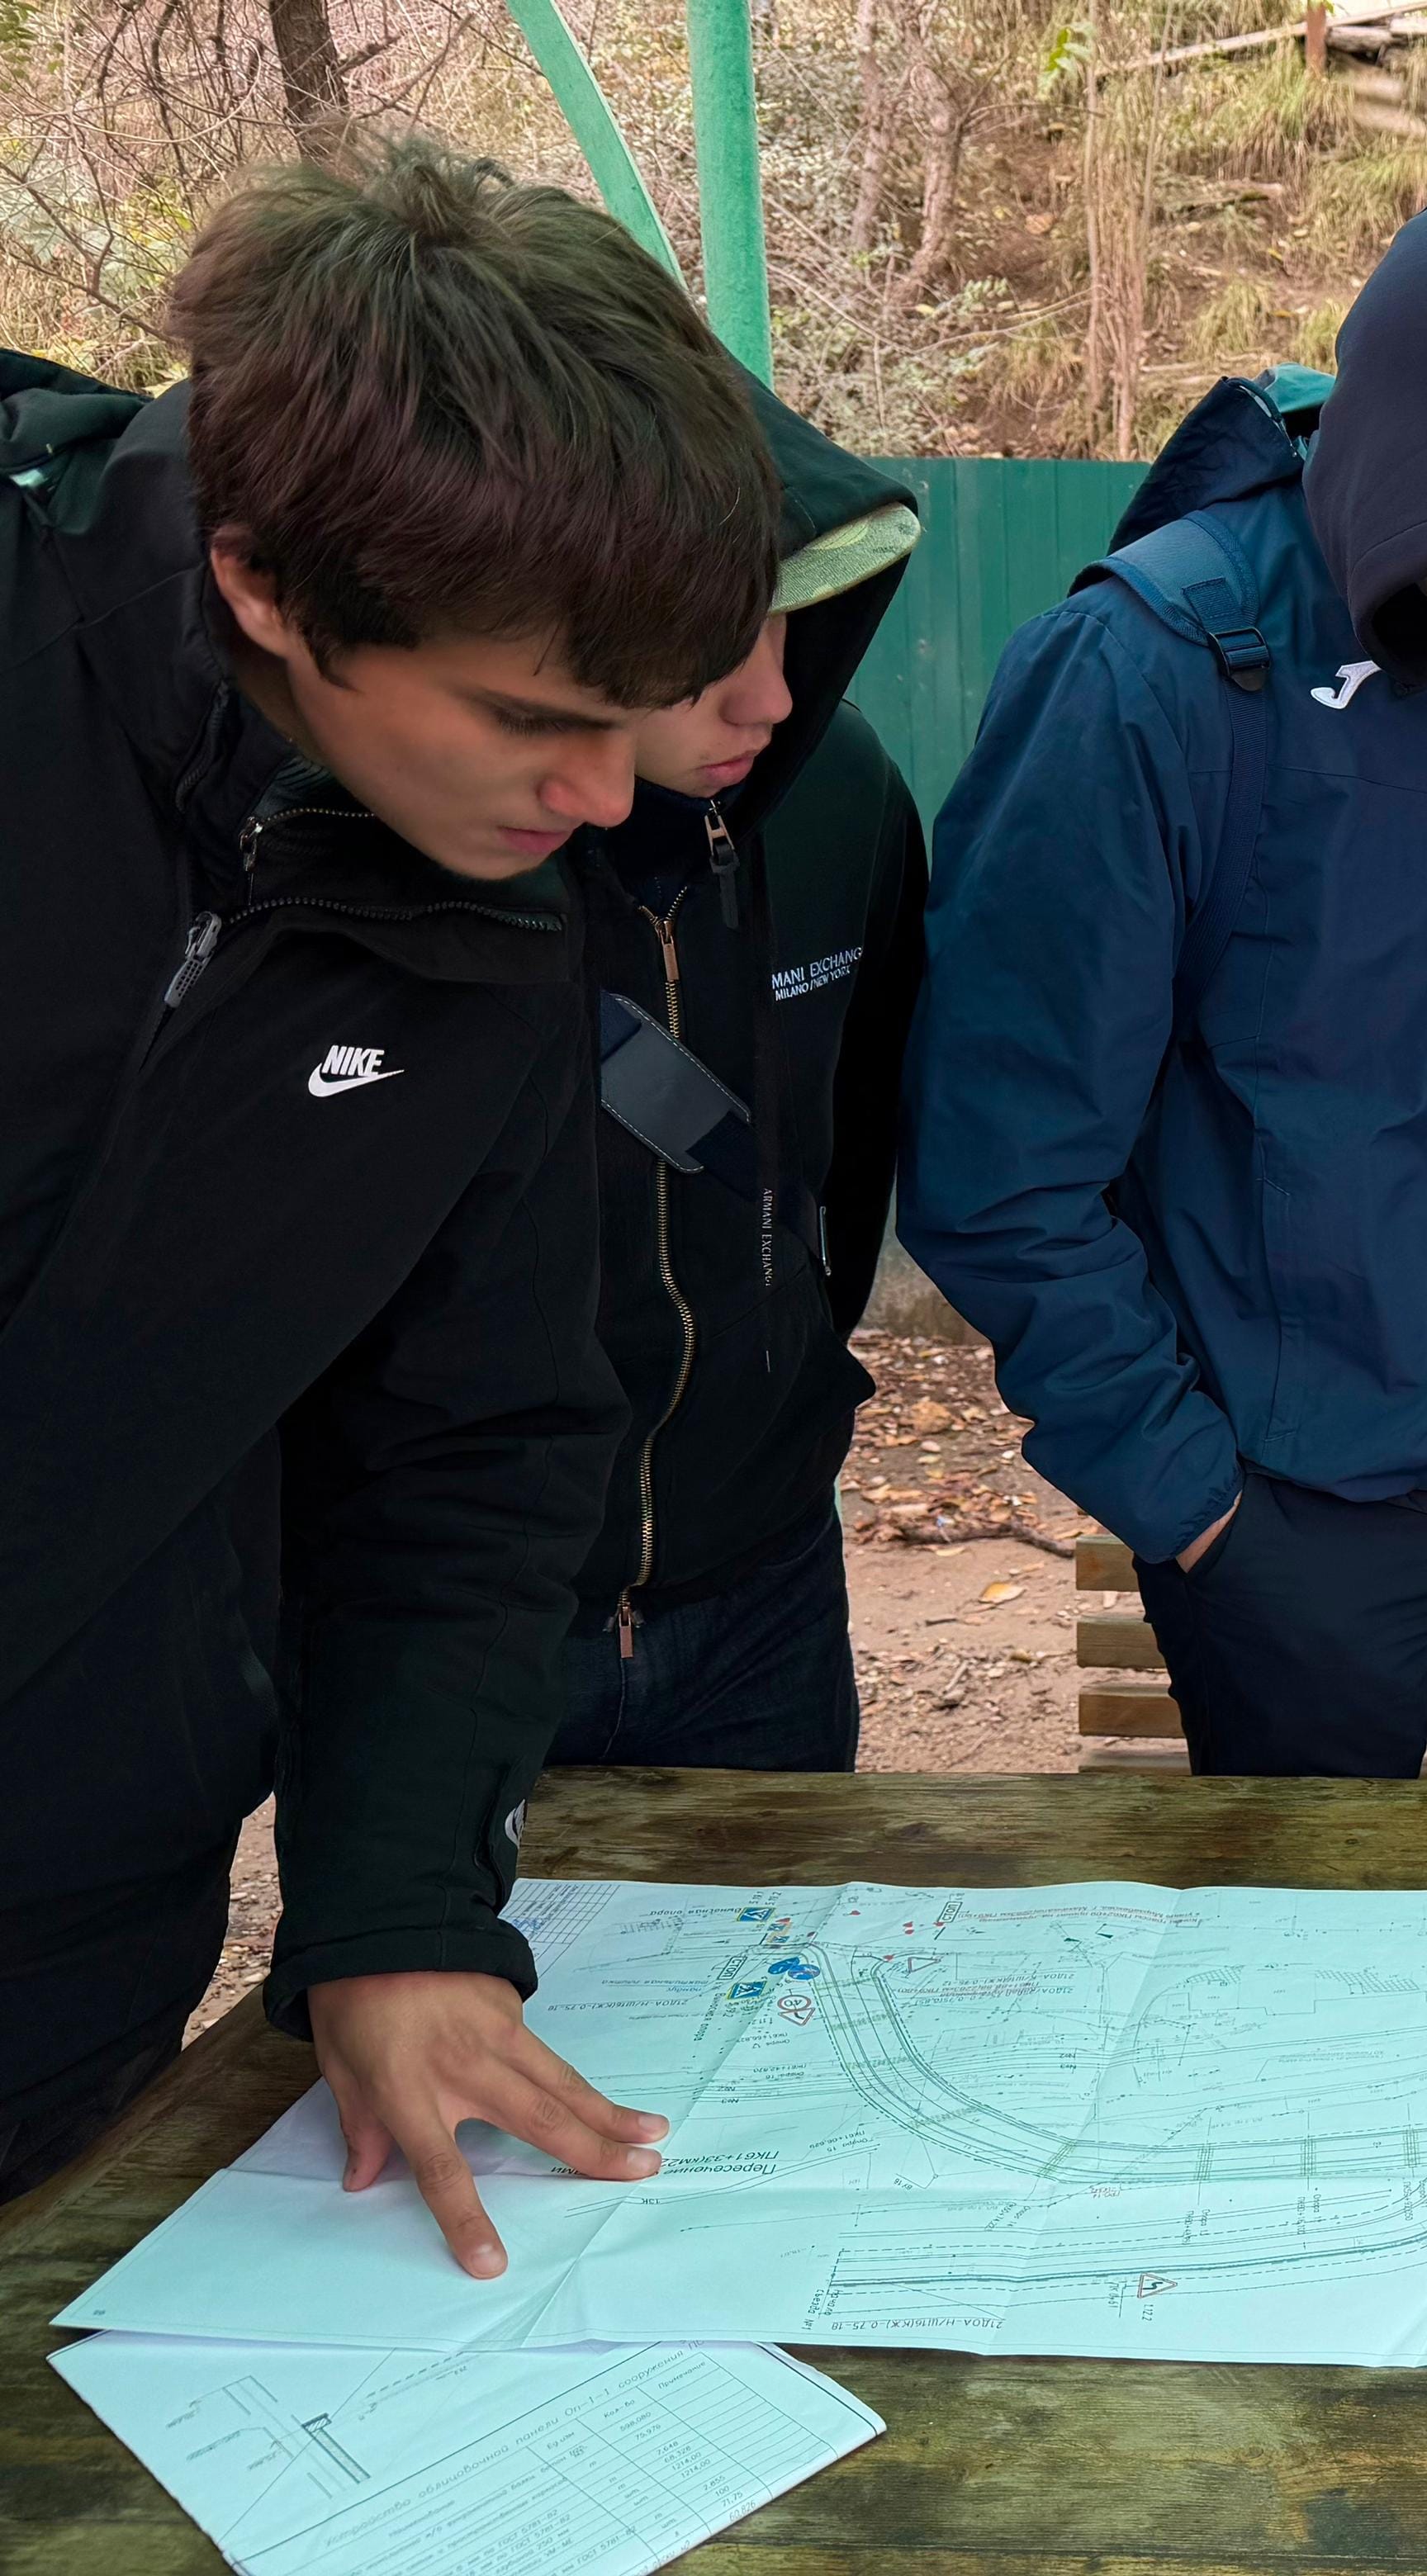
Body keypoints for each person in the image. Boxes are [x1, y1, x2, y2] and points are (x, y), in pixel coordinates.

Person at [0, 147, 780, 2269]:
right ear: (269, 585)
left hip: (62, 1944)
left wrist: (401, 1908)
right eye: (534, 719)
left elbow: (475, 1436)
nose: (600, 798)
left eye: (631, 722)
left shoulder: (492, 911)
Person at [900, 197, 1427, 1783]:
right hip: (1299, 1524)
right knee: (1313, 1947)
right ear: (1409, 525)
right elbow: (999, 1160)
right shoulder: (1154, 668)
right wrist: (1194, 1501)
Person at [552, 387, 926, 1769]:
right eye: (709, 636)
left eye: (785, 618)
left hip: (767, 1574)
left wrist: (792, 1368)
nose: (770, 690)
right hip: (472, 1607)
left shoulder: (842, 791)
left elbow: (856, 1139)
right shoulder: (418, 831)